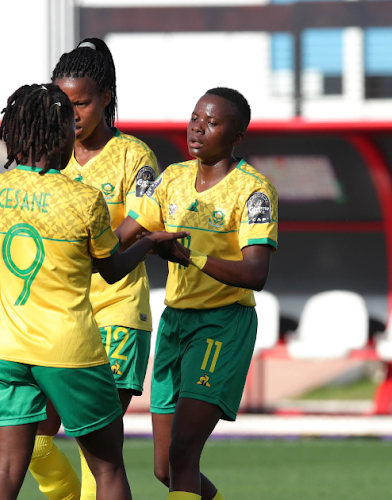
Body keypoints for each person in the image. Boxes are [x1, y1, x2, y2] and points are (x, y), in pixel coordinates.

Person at [0, 38, 160, 500]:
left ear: (106, 97)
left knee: (98, 459)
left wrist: (76, 252)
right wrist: (6, 272)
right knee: (41, 445)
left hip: (113, 313)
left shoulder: (134, 155)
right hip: (58, 323)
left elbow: (145, 216)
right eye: (62, 105)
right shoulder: (51, 155)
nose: (71, 115)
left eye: (80, 103)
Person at [114, 87, 278, 500]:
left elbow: (256, 273)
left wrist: (190, 257)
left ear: (236, 137)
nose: (197, 128)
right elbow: (121, 239)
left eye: (211, 122)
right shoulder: (171, 179)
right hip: (175, 323)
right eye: (194, 118)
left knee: (184, 452)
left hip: (221, 326)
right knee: (164, 467)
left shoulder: (253, 191)